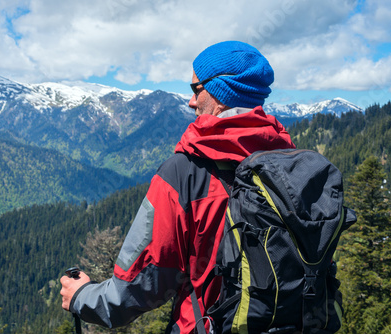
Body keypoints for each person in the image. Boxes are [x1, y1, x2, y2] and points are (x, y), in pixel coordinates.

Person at [60, 41, 296, 333]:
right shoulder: (289, 165)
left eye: (196, 89)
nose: (191, 102)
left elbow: (136, 288)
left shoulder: (186, 173)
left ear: (220, 92)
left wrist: (82, 296)